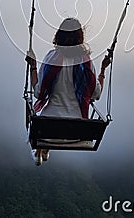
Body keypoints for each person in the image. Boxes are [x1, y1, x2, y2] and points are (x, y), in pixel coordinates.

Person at [26, 17, 111, 166]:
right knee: (57, 129)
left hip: (46, 130)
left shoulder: (51, 58)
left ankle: (41, 150)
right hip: (78, 133)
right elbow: (96, 94)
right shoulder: (86, 62)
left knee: (37, 123)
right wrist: (103, 69)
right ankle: (44, 150)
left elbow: (39, 93)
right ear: (80, 38)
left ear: (59, 35)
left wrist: (33, 66)